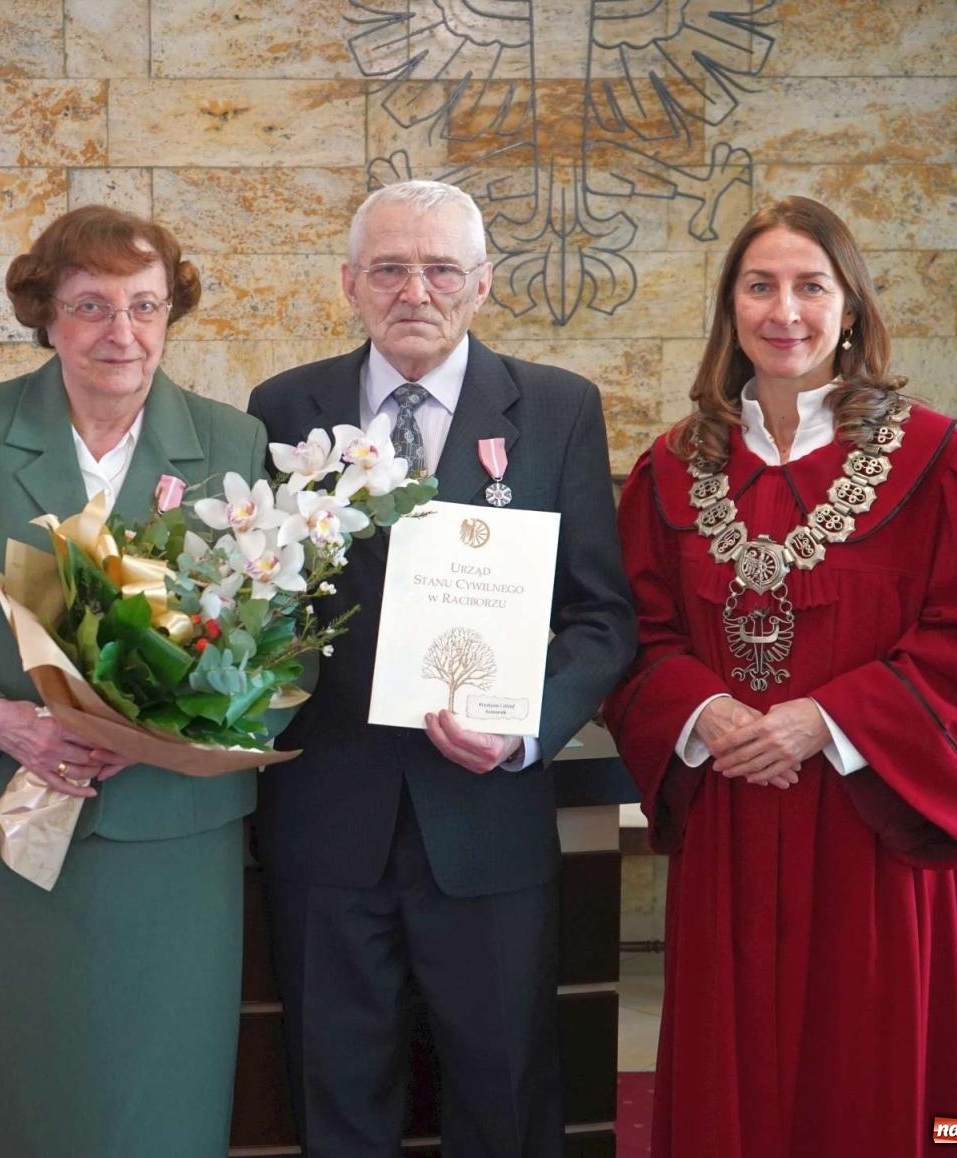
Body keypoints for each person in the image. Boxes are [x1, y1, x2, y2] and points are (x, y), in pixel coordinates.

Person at [604, 196, 957, 1158]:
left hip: (871, 821)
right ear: (730, 309)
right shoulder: (670, 472)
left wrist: (824, 723)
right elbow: (634, 631)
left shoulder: (941, 463)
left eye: (809, 286)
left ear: (852, 308)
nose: (783, 311)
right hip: (732, 816)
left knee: (870, 1069)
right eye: (760, 286)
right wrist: (705, 712)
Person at [246, 179, 636, 1156]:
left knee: (504, 1092)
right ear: (349, 283)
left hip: (486, 823)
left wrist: (527, 726)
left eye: (439, 268)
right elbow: (256, 606)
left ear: (482, 283)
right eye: (388, 268)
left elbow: (601, 618)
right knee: (336, 1094)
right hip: (327, 818)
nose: (413, 289)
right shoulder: (285, 407)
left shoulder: (555, 410)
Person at [0, 205, 269, 1157]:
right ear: (44, 315)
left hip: (169, 841)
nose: (121, 332)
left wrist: (170, 728)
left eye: (145, 305)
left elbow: (267, 647)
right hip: (4, 822)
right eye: (91, 305)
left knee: (161, 1099)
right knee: (21, 1094)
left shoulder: (233, 444)